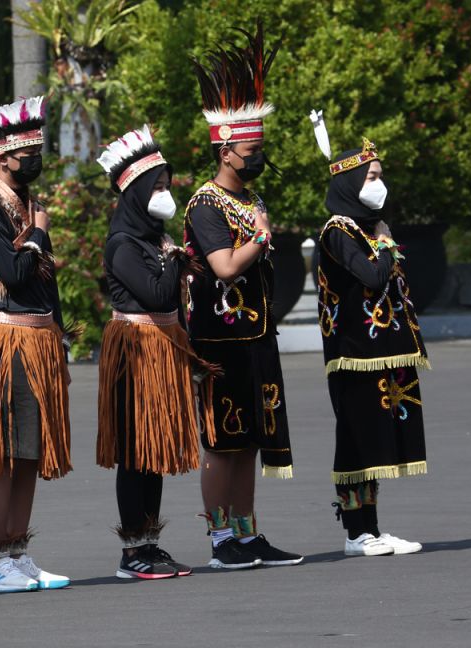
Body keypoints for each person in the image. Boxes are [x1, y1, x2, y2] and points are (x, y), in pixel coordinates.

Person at [185, 24, 302, 569]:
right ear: (227, 149)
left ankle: (249, 534)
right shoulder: (206, 205)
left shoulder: (248, 197)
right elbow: (224, 267)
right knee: (222, 442)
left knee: (252, 438)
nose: (258, 156)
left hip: (255, 336)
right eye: (252, 149)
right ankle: (219, 539)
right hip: (220, 341)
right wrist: (258, 238)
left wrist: (257, 233)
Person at [96, 126, 218, 580]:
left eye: (169, 186)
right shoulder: (123, 245)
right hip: (136, 349)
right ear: (137, 192)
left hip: (163, 349)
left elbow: (185, 290)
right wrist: (174, 262)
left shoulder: (154, 241)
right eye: (160, 187)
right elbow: (158, 295)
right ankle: (132, 552)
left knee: (156, 451)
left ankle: (151, 542)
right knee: (135, 451)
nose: (166, 195)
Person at [0, 96, 72, 593]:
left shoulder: (24, 204)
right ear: (2, 155)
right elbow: (11, 274)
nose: (35, 158)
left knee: (28, 451)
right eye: (27, 151)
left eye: (38, 148)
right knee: (4, 452)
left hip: (36, 338)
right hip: (4, 340)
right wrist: (38, 236)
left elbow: (41, 284)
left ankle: (18, 552)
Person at [308, 117, 428, 556]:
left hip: (379, 351)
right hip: (354, 353)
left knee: (377, 439)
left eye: (379, 176)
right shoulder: (338, 231)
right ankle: (356, 532)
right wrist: (386, 243)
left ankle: (372, 528)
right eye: (373, 177)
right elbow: (373, 277)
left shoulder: (364, 229)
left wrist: (380, 239)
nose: (380, 184)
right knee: (357, 438)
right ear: (353, 181)